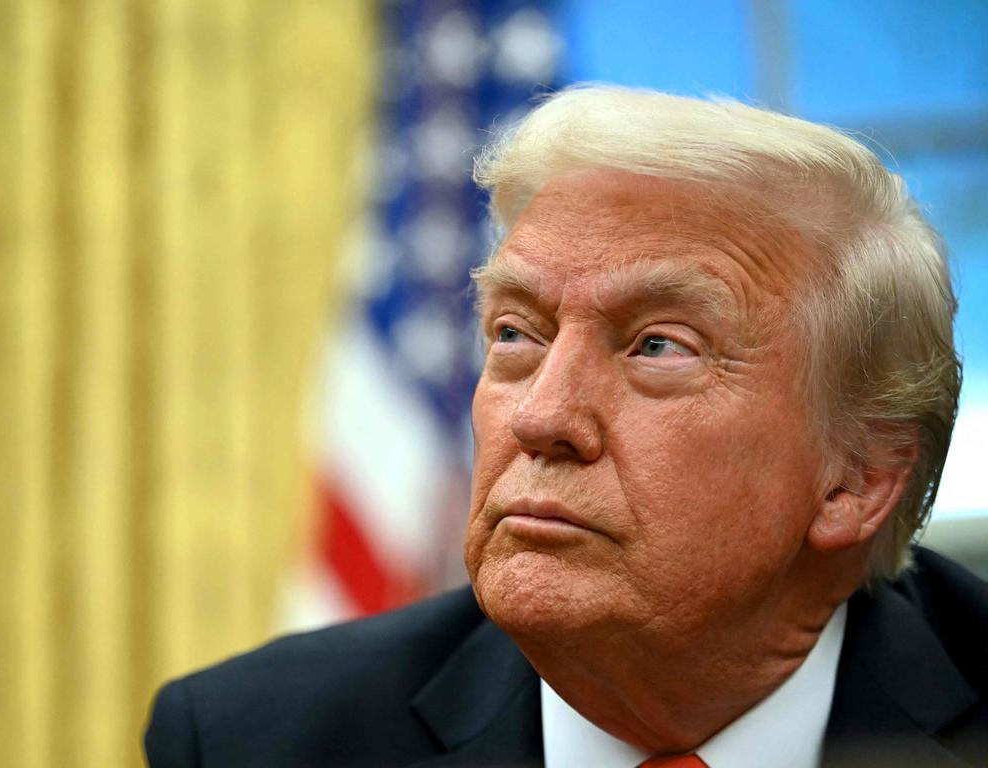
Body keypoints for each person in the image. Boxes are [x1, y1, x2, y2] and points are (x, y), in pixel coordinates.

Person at [144, 86, 987, 767]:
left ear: (859, 480)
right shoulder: (252, 740)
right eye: (516, 333)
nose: (543, 417)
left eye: (659, 346)